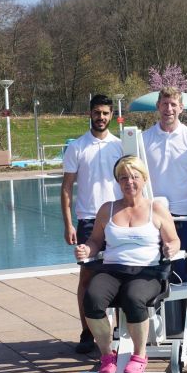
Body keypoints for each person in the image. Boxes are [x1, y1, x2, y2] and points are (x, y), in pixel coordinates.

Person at [75, 156, 180, 373]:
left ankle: (139, 355)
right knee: (92, 299)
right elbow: (95, 241)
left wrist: (171, 247)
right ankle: (106, 354)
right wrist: (87, 249)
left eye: (134, 177)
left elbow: (174, 240)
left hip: (147, 271)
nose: (129, 182)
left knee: (133, 298)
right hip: (113, 269)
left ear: (144, 179)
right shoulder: (108, 209)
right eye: (123, 178)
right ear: (118, 182)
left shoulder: (157, 209)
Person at [61, 94, 123, 354]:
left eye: (105, 113)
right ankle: (87, 331)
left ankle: (120, 330)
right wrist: (68, 224)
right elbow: (66, 188)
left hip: (118, 219)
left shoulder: (120, 146)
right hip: (88, 220)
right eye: (97, 112)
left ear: (111, 115)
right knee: (87, 278)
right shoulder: (77, 147)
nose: (101, 117)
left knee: (122, 275)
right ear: (90, 113)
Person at [142, 86, 187, 283]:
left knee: (183, 278)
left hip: (183, 219)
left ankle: (183, 316)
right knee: (152, 278)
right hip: (152, 220)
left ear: (181, 108)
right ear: (158, 106)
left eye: (173, 104)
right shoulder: (144, 139)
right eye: (164, 104)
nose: (168, 108)